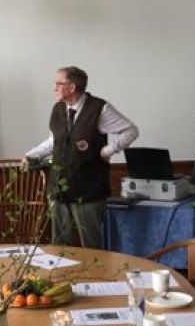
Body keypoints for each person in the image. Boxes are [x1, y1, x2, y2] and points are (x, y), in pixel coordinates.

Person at [23, 66, 138, 248]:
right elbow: (54, 141)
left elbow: (131, 131)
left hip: (88, 190)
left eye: (59, 83)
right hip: (59, 189)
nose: (54, 88)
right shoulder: (58, 109)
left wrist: (107, 151)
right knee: (60, 246)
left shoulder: (100, 109)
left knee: (92, 246)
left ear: (72, 87)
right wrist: (31, 155)